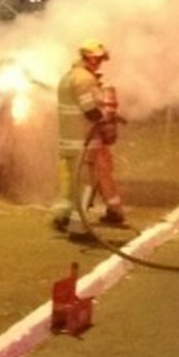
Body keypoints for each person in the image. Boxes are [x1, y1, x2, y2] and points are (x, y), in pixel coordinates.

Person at [51, 38, 127, 243]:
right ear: (87, 57)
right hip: (83, 142)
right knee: (86, 185)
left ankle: (64, 218)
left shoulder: (68, 77)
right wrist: (108, 117)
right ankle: (79, 229)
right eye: (96, 58)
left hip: (68, 141)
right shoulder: (85, 80)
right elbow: (91, 111)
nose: (99, 63)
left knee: (72, 185)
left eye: (100, 59)